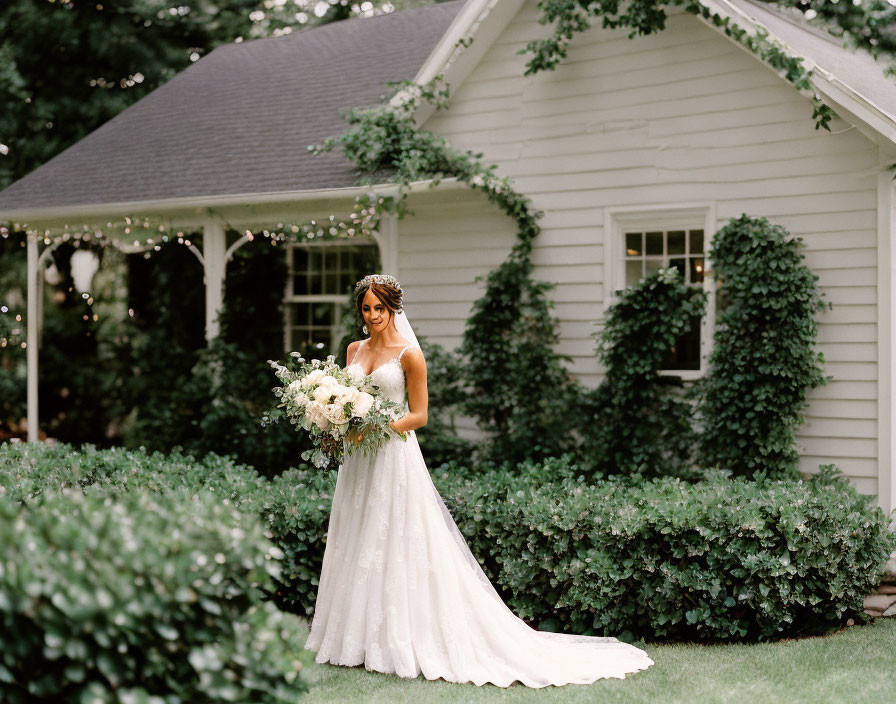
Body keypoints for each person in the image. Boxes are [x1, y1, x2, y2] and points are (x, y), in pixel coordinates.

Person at [303, 273, 654, 687]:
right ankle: (355, 639)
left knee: (394, 537)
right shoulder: (353, 349)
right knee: (359, 535)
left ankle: (399, 638)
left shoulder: (409, 355)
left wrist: (380, 425)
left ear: (394, 308)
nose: (374, 315)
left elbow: (420, 415)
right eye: (367, 308)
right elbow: (343, 398)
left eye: (380, 307)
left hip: (393, 455)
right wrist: (335, 419)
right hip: (358, 460)